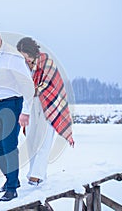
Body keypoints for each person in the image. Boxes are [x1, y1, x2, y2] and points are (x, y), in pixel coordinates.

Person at [0, 26, 34, 202]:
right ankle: (11, 179)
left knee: (8, 145)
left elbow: (28, 87)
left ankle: (11, 189)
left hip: (12, 104)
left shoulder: (13, 58)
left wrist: (25, 112)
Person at [16, 37, 75, 186]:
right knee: (31, 139)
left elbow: (51, 85)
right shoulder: (23, 66)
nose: (24, 60)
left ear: (32, 53)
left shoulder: (46, 61)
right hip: (31, 104)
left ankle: (36, 176)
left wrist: (32, 89)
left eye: (25, 56)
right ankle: (36, 173)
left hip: (48, 104)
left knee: (44, 139)